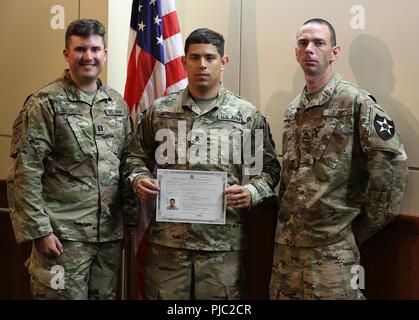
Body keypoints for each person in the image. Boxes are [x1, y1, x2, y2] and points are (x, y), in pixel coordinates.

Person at [123, 28, 280, 300]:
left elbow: (268, 169)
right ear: (183, 62)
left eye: (210, 57)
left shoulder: (245, 115)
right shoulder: (160, 111)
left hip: (222, 246)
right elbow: (134, 156)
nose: (202, 65)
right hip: (168, 247)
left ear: (224, 61)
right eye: (194, 57)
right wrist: (138, 178)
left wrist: (252, 192)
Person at [269, 18, 408, 300]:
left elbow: (392, 168)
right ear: (296, 52)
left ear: (334, 52)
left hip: (332, 252)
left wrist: (363, 227)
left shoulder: (356, 103)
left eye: (319, 43)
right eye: (303, 43)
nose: (310, 49)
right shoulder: (292, 110)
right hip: (287, 249)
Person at [7, 19, 138, 299]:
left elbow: (127, 161)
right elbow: (25, 172)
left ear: (105, 54)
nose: (88, 57)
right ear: (67, 54)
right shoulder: (45, 103)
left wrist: (129, 221)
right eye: (79, 50)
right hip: (62, 239)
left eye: (95, 49)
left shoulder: (117, 105)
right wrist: (39, 231)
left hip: (108, 240)